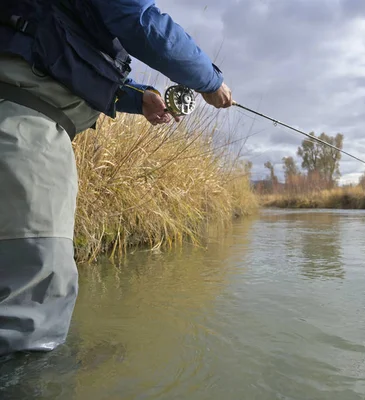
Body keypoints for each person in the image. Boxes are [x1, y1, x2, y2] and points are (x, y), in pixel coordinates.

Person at [0, 0, 233, 357]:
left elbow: (55, 46)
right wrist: (210, 80)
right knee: (29, 317)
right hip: (23, 127)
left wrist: (136, 98)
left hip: (17, 115)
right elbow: (139, 20)